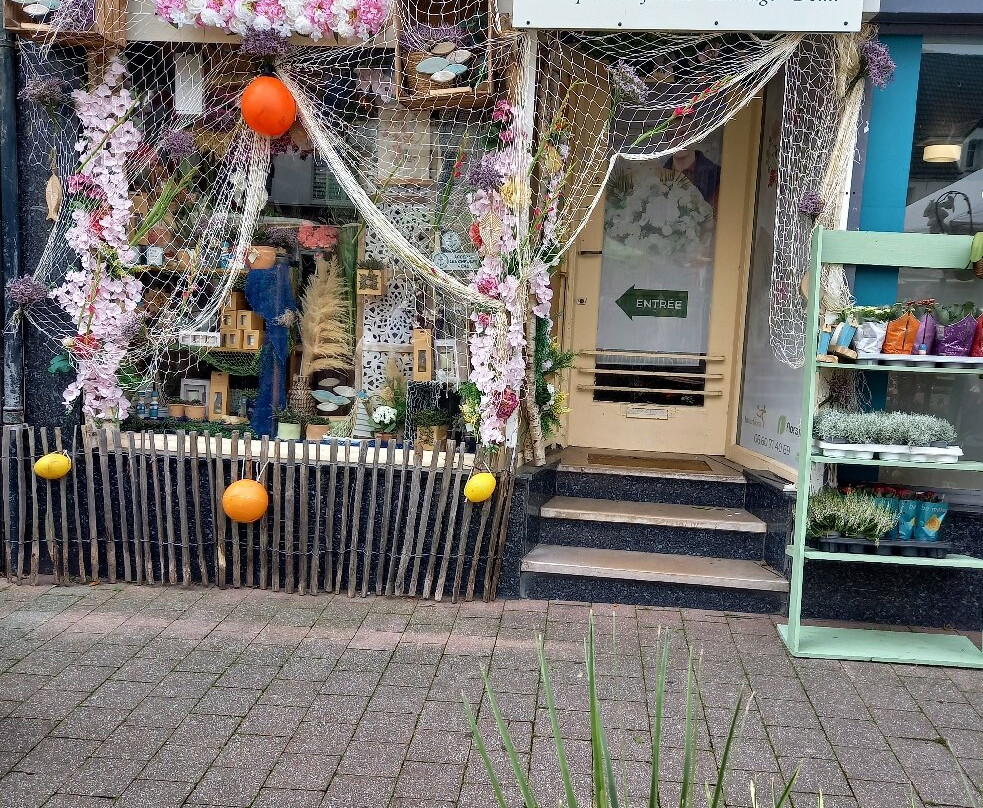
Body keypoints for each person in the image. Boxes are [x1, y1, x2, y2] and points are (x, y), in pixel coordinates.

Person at [664, 148, 721, 214]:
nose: (679, 139)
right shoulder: (656, 176)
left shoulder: (717, 176)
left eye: (685, 137)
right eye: (672, 136)